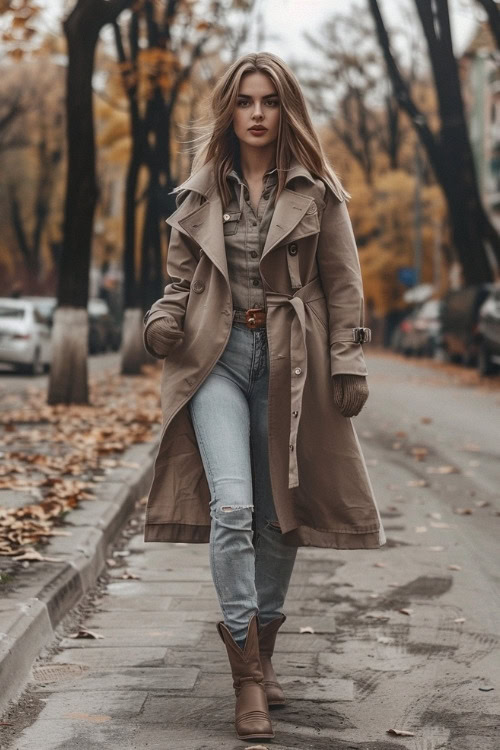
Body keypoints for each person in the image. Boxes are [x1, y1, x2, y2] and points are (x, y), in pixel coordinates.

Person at [143, 51, 386, 742]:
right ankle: (247, 678)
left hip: (291, 361)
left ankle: (265, 650)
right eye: (246, 100)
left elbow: (343, 283)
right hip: (215, 358)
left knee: (281, 513)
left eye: (270, 101)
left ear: (286, 110)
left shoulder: (318, 191)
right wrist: (164, 319)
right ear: (231, 109)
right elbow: (177, 284)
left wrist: (349, 358)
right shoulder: (199, 194)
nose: (257, 112)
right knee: (235, 505)